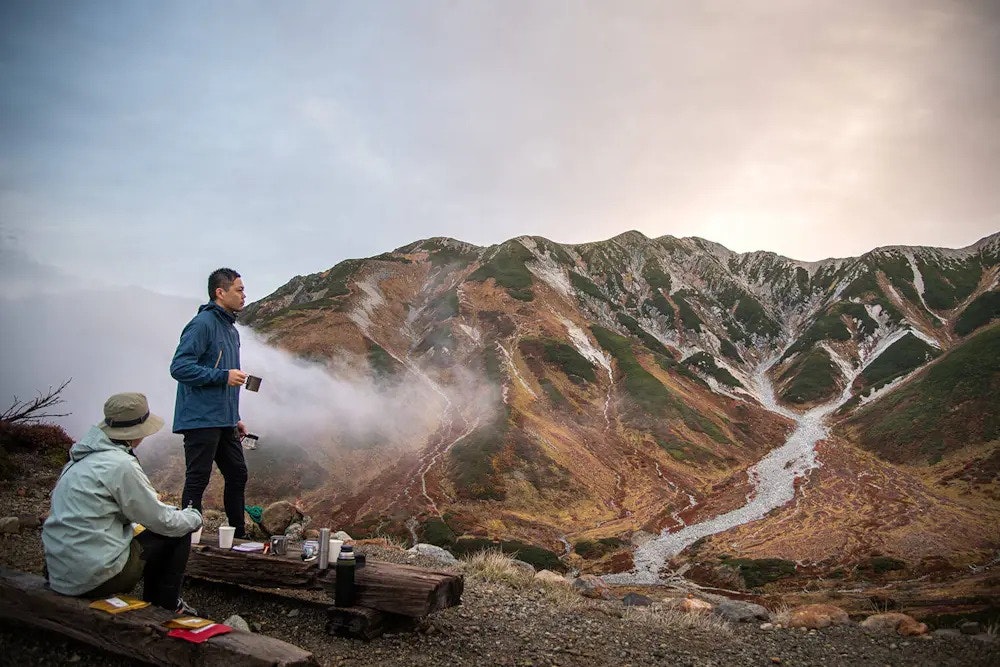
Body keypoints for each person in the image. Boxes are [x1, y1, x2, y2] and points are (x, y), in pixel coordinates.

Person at [42, 393, 203, 613]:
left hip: (59, 573)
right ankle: (165, 607)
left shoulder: (79, 459)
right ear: (136, 432)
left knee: (148, 531)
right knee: (178, 533)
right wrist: (194, 516)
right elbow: (163, 521)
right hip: (95, 578)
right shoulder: (121, 465)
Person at [170, 267, 250, 537]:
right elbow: (180, 368)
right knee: (197, 480)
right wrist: (222, 376)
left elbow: (227, 378)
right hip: (200, 418)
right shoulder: (202, 324)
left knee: (238, 474)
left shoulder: (231, 330)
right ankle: (186, 539)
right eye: (238, 290)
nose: (244, 295)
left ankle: (238, 536)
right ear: (220, 292)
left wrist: (235, 416)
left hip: (224, 419)